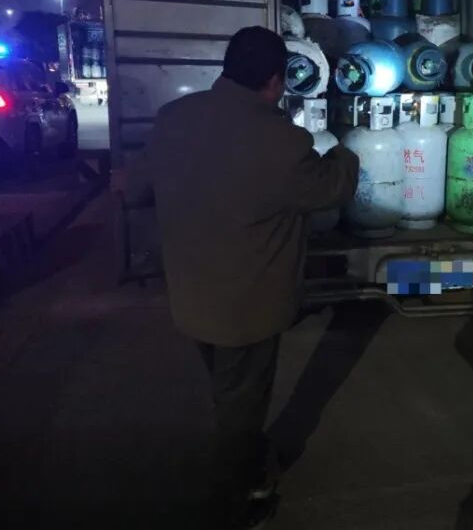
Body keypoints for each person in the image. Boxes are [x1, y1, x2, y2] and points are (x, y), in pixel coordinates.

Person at [126, 26, 359, 529]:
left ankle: (247, 456)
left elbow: (135, 190)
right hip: (247, 308)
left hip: (191, 295)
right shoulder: (280, 141)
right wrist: (346, 149)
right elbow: (332, 189)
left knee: (227, 388)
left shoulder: (173, 118)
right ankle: (239, 500)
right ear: (275, 80)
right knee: (241, 406)